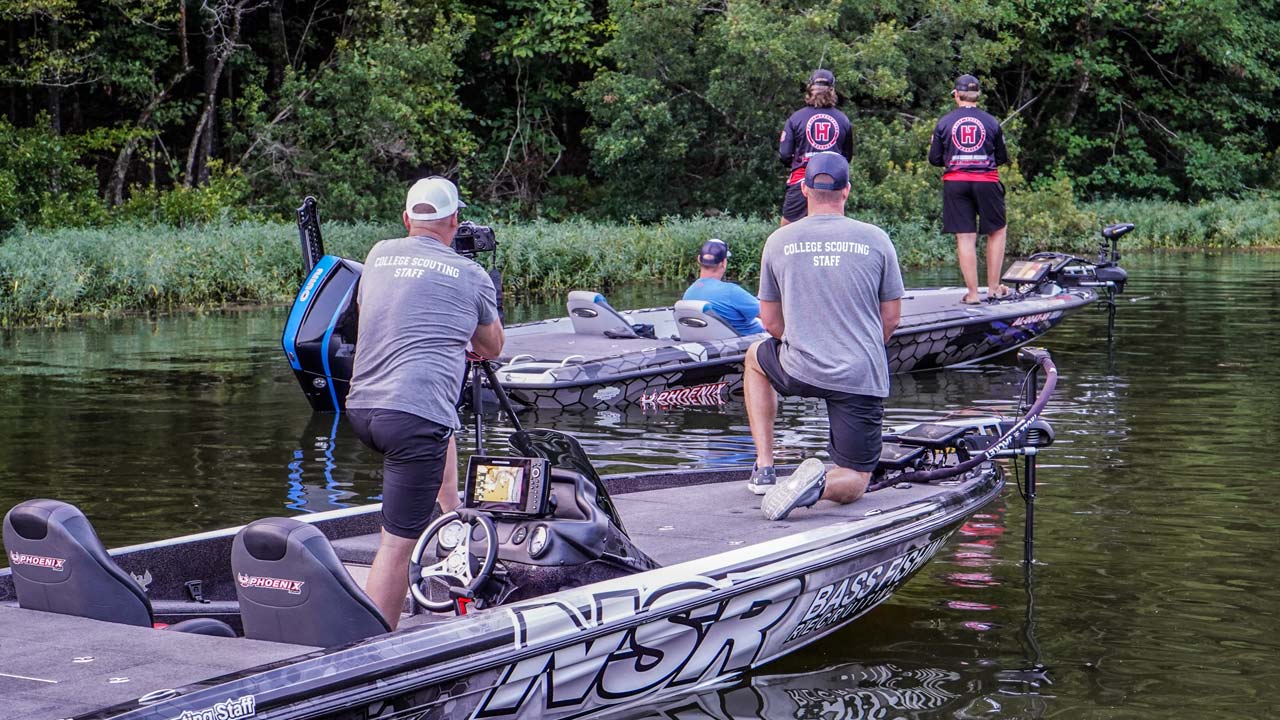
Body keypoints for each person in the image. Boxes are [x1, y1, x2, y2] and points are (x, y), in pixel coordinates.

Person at [345, 176, 504, 628]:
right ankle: (375, 649)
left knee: (440, 422)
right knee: (396, 547)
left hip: (363, 411)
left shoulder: (377, 254)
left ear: (406, 218)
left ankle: (451, 512)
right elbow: (492, 348)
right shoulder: (472, 274)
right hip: (411, 422)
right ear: (455, 220)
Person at [745, 151, 904, 521]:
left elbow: (769, 322)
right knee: (856, 479)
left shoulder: (778, 241)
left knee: (755, 357)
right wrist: (855, 348)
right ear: (846, 191)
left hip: (799, 365)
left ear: (803, 189)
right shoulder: (877, 239)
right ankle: (818, 487)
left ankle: (765, 466)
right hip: (858, 373)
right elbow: (892, 319)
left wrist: (805, 339)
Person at [928, 74, 1010, 305]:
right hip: (986, 181)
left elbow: (934, 159)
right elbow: (1002, 157)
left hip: (955, 183)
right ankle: (993, 288)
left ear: (956, 94)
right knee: (997, 230)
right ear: (978, 96)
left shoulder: (944, 123)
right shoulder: (991, 122)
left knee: (965, 236)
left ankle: (973, 293)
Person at [778, 69, 853, 226]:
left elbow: (784, 155)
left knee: (786, 228)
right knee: (834, 228)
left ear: (809, 89)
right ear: (832, 90)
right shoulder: (843, 120)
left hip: (802, 179)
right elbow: (846, 157)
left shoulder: (796, 118)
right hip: (834, 182)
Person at [682, 238, 765, 336]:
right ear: (723, 262)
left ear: (699, 259)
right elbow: (769, 314)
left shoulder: (688, 294)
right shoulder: (731, 292)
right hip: (749, 343)